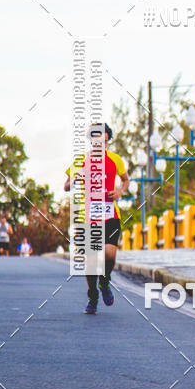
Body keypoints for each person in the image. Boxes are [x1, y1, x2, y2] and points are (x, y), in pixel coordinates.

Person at [64, 123, 129, 314]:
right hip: (88, 216)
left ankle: (105, 281)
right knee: (91, 261)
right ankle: (93, 296)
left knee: (109, 254)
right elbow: (66, 186)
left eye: (105, 140)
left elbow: (126, 180)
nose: (101, 144)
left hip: (110, 214)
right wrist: (74, 179)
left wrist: (119, 192)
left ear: (108, 140)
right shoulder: (81, 160)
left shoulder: (115, 159)